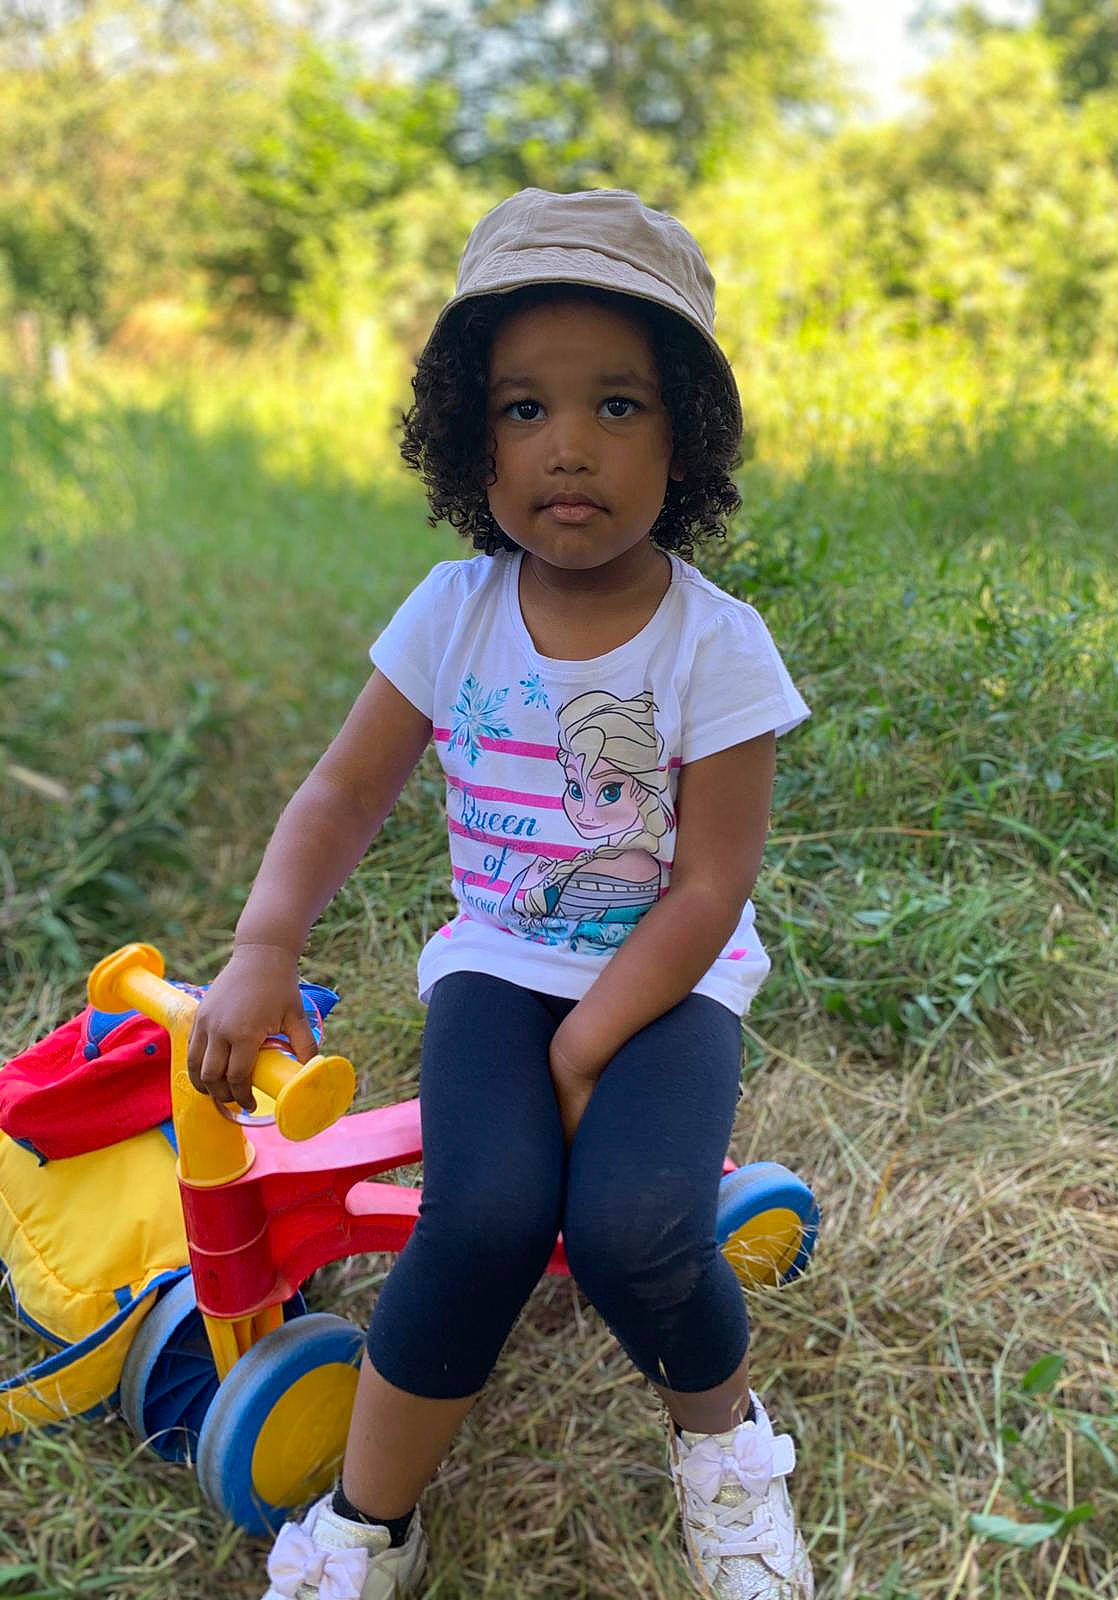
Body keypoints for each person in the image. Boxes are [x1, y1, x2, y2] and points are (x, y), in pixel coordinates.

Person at [187, 187, 814, 1600]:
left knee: (635, 1231)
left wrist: (590, 1046)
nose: (570, 447)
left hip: (666, 980)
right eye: (525, 410)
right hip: (495, 964)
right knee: (475, 1219)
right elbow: (344, 793)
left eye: (618, 406)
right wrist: (262, 943)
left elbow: (712, 885)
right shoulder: (450, 614)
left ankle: (728, 1456)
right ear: (471, 433)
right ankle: (365, 1522)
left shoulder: (716, 646)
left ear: (688, 436)